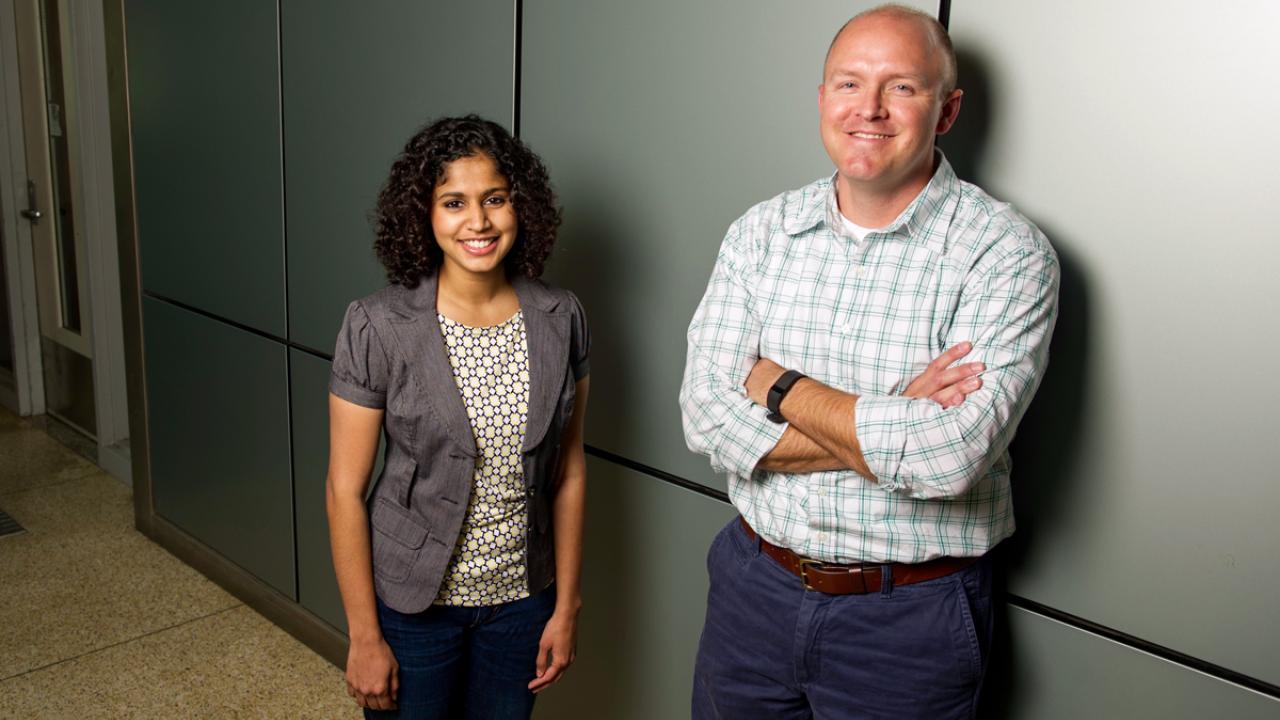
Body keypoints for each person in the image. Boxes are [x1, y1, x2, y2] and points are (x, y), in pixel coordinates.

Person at [679, 5, 1059, 718]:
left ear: (946, 111)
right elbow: (704, 419)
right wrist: (895, 414)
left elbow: (949, 459)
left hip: (908, 621)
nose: (871, 109)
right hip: (751, 592)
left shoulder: (1004, 253)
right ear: (822, 100)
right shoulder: (761, 234)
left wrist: (778, 384)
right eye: (849, 84)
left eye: (902, 88)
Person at [326, 115, 590, 719]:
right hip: (413, 608)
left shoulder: (560, 316)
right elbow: (344, 490)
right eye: (454, 202)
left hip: (522, 603)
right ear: (424, 214)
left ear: (519, 206)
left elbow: (569, 471)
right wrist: (364, 636)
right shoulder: (377, 325)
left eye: (495, 199)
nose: (479, 221)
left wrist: (566, 604)